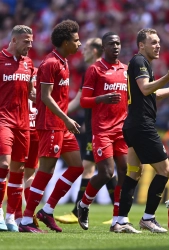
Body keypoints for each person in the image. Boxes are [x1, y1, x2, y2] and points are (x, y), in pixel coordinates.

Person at [113, 28, 169, 234]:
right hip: (142, 125)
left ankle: (120, 220)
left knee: (133, 173)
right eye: (153, 42)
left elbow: (153, 94)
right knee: (165, 170)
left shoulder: (143, 65)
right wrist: (168, 78)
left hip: (133, 124)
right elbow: (146, 89)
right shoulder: (139, 62)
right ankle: (148, 218)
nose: (158, 45)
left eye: (159, 42)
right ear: (141, 45)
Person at [19, 19, 83, 233]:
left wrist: (65, 121)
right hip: (50, 125)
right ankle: (27, 220)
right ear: (65, 42)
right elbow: (44, 97)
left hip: (62, 125)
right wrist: (66, 118)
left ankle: (47, 210)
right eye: (76, 40)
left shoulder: (63, 62)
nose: (79, 43)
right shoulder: (50, 64)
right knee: (45, 170)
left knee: (77, 167)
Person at [54, 38, 118, 225]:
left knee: (94, 168)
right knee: (104, 169)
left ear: (97, 50)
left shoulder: (97, 69)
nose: (83, 50)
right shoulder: (96, 69)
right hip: (95, 125)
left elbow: (81, 99)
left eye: (87, 48)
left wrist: (60, 113)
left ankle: (78, 211)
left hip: (99, 128)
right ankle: (119, 213)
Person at [77, 32, 128, 232]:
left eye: (118, 43)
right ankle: (83, 204)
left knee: (124, 172)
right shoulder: (94, 70)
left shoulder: (126, 70)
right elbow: (83, 100)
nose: (115, 47)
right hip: (102, 130)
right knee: (106, 173)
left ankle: (117, 221)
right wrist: (101, 98)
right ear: (103, 48)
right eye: (111, 44)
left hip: (122, 129)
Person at [0, 25, 35, 232]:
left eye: (31, 41)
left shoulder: (29, 63)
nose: (30, 45)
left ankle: (11, 215)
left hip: (23, 125)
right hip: (3, 120)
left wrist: (35, 94)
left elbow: (30, 91)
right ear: (13, 41)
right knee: (3, 164)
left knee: (19, 170)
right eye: (26, 41)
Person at [14, 67, 39, 229]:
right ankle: (26, 216)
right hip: (34, 129)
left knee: (14, 173)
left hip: (21, 128)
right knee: (28, 175)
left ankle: (17, 216)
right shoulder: (41, 74)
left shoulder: (13, 75)